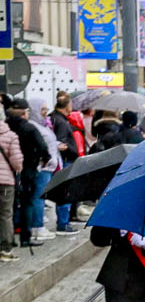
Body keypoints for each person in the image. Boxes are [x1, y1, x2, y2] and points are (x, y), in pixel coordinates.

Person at [7, 95, 51, 248]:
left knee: (9, 206)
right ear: (24, 113)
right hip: (28, 170)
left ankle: (9, 238)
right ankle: (25, 237)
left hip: (8, 170)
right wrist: (44, 160)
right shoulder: (30, 128)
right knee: (27, 203)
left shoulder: (5, 127)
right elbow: (42, 147)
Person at [47, 94, 83, 234]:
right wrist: (71, 149)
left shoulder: (55, 118)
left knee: (63, 192)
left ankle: (64, 221)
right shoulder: (61, 122)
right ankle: (63, 223)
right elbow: (61, 142)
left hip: (62, 160)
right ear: (67, 105)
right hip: (66, 161)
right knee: (65, 192)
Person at [0, 113, 19, 262]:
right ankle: (5, 249)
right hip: (5, 182)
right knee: (5, 214)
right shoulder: (10, 135)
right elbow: (16, 161)